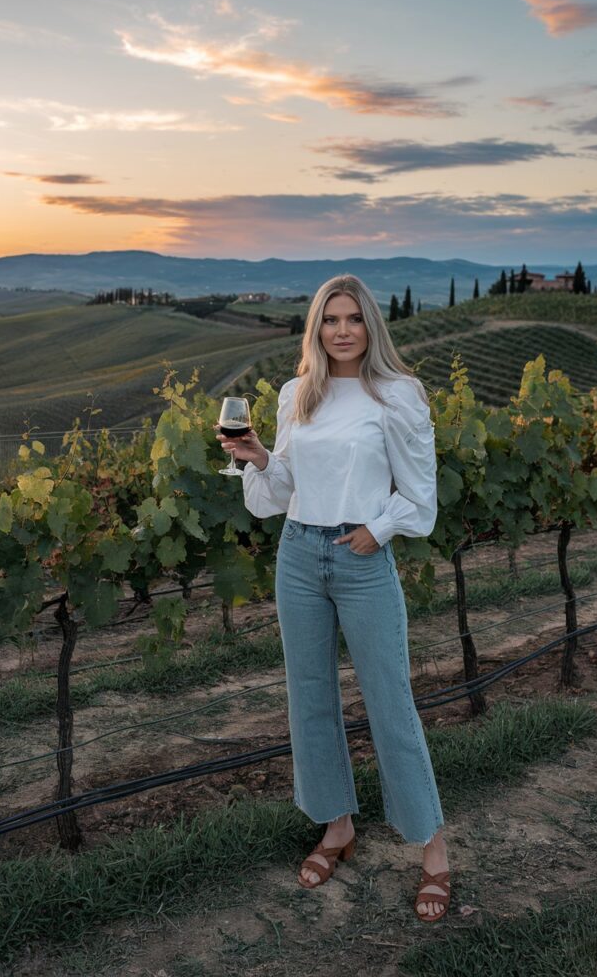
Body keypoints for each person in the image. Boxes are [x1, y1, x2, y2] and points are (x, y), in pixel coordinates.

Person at [214, 274, 450, 922]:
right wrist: (260, 457)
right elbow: (281, 491)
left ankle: (433, 847)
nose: (341, 330)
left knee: (389, 700)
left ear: (371, 324)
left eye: (352, 318)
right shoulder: (299, 394)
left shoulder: (397, 395)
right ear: (315, 328)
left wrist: (378, 530)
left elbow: (420, 494)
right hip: (298, 553)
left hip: (360, 554)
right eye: (329, 319)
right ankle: (337, 826)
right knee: (310, 696)